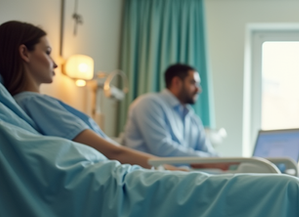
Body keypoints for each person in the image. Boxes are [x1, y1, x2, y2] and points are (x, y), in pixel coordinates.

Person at [0, 20, 182, 170]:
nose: (55, 64)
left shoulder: (29, 104)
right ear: (24, 52)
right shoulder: (35, 103)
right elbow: (113, 153)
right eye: (47, 53)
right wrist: (169, 168)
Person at [122, 63, 218, 157]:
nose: (198, 89)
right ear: (176, 82)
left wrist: (223, 162)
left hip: (182, 171)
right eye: (193, 83)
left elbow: (208, 151)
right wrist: (204, 161)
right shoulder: (149, 103)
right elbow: (161, 149)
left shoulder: (193, 119)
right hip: (151, 171)